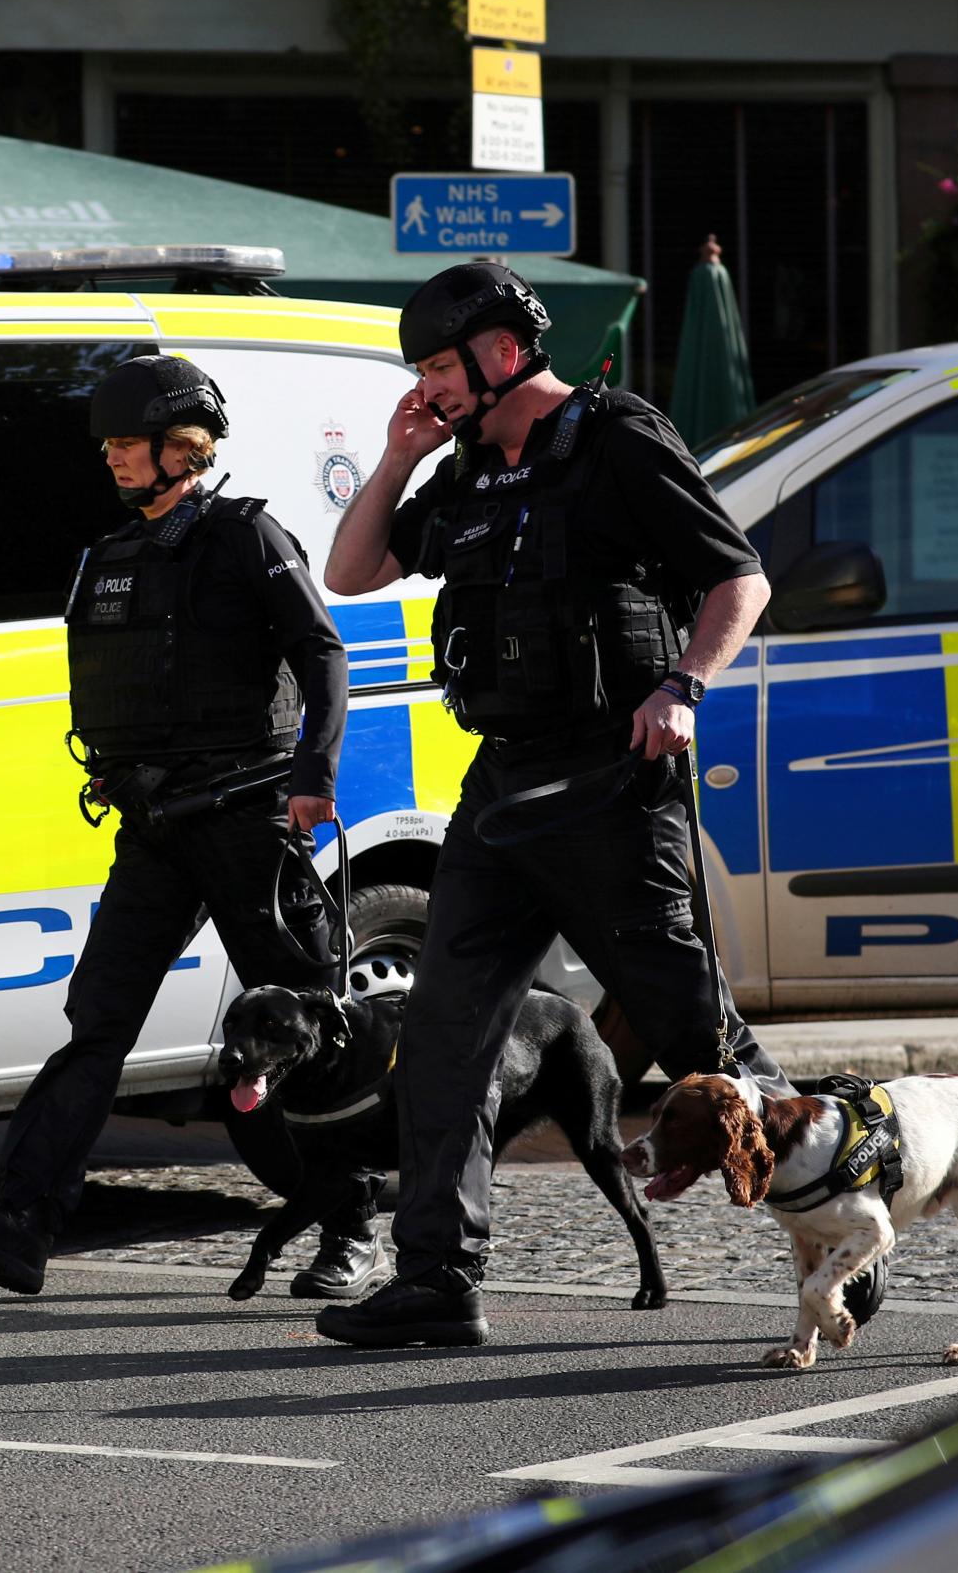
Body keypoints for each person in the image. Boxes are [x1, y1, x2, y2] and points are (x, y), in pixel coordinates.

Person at [311, 261, 832, 1349]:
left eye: (439, 368)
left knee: (696, 1033)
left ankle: (834, 1220)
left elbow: (741, 578)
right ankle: (438, 1278)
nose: (430, 388)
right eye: (419, 373)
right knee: (446, 1032)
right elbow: (350, 569)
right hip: (502, 791)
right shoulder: (461, 471)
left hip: (611, 785)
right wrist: (402, 452)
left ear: (502, 350)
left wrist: (682, 686)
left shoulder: (615, 438)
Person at [0, 355, 374, 1298]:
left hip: (251, 820)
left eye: (129, 443)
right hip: (156, 827)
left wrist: (313, 774)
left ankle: (353, 1228)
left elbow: (323, 653)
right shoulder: (110, 554)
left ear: (183, 448)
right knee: (97, 1024)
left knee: (302, 1032)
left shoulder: (249, 536)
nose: (114, 459)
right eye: (112, 446)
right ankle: (22, 1223)